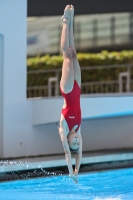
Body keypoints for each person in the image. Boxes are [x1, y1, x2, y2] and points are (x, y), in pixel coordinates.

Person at [58, 5, 82, 183]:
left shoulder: (64, 127)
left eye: (74, 142)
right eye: (77, 143)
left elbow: (68, 152)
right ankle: (72, 20)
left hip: (67, 89)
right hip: (78, 88)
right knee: (73, 53)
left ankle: (65, 21)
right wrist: (77, 170)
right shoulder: (78, 130)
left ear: (68, 139)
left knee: (66, 55)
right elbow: (79, 155)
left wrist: (70, 171)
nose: (77, 142)